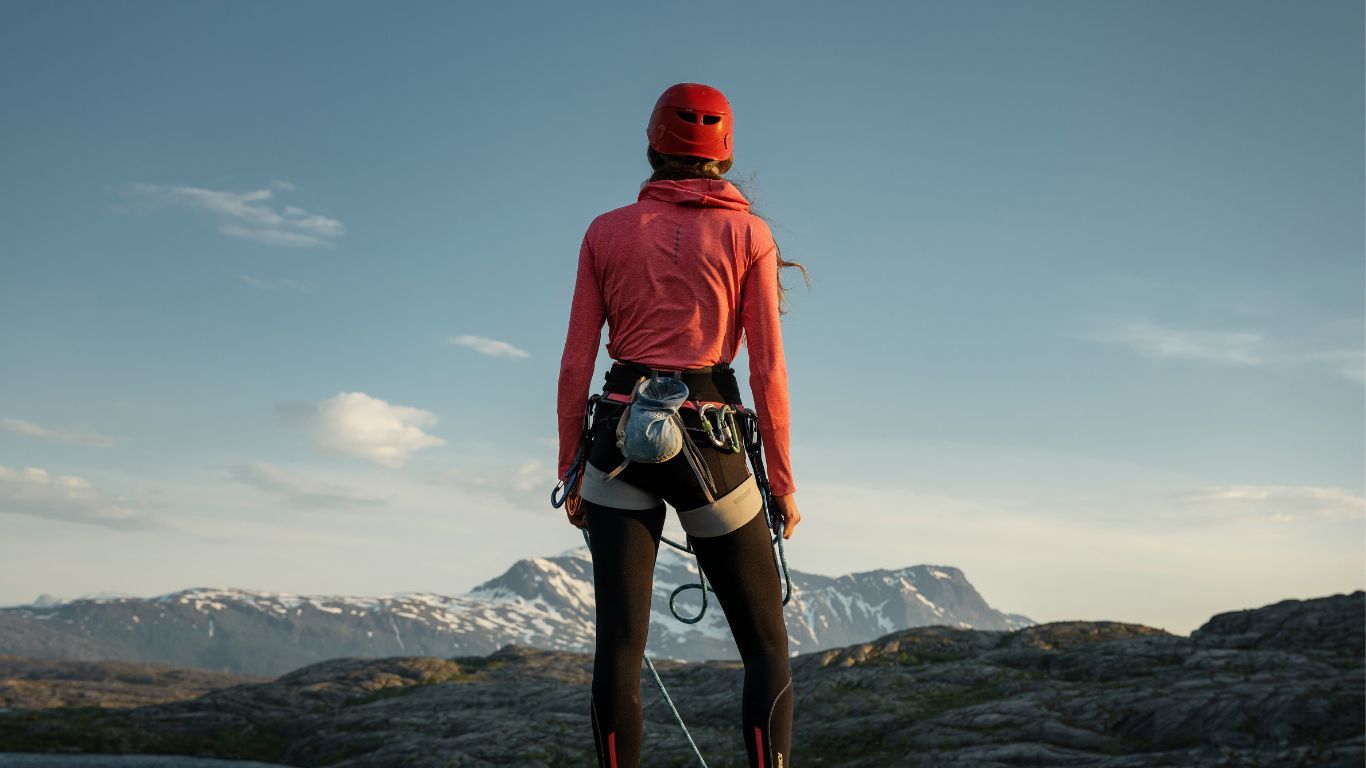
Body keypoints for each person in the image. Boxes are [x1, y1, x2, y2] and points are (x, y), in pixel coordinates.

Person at [556, 82, 804, 768]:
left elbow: (576, 361)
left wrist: (569, 466)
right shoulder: (750, 235)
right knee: (765, 647)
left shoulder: (605, 232)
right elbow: (768, 375)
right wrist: (781, 482)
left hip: (615, 431)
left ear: (653, 143)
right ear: (724, 155)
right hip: (711, 438)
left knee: (619, 648)